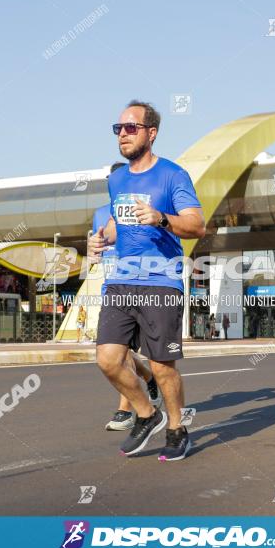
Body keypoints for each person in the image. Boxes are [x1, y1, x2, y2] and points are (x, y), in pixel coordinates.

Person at [90, 100, 205, 461]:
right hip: (121, 280)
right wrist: (102, 237)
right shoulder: (116, 179)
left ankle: (176, 429)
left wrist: (161, 218)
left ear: (151, 133)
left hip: (161, 280)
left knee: (161, 365)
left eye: (131, 127)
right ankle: (145, 413)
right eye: (118, 128)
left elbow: (197, 225)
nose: (122, 134)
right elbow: (117, 224)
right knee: (108, 359)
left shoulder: (173, 175)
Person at [91, 162, 162, 431]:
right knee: (116, 352)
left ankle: (126, 410)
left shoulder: (141, 206)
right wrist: (93, 249)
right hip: (111, 286)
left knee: (122, 353)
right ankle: (148, 378)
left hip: (138, 284)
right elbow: (98, 245)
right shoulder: (101, 214)